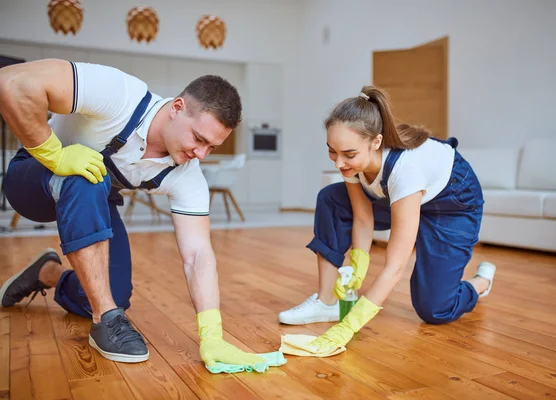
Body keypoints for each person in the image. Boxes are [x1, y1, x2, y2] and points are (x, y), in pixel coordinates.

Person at [0, 59, 265, 367]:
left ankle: (48, 273)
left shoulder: (186, 175)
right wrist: (55, 156)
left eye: (212, 148)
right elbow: (11, 83)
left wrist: (212, 336)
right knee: (89, 179)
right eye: (198, 139)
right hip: (32, 182)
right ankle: (106, 319)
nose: (201, 155)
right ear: (177, 107)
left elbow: (197, 255)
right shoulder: (119, 94)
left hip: (93, 199)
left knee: (117, 293)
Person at [278, 86, 496, 351]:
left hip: (452, 205)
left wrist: (348, 328)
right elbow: (362, 217)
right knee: (331, 199)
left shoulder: (406, 171)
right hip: (405, 197)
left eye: (348, 154)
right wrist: (360, 260)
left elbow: (395, 266)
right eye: (331, 151)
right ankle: (326, 303)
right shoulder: (350, 160)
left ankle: (480, 283)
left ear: (376, 142)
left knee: (435, 309)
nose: (338, 163)